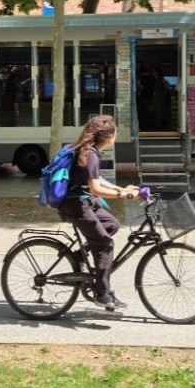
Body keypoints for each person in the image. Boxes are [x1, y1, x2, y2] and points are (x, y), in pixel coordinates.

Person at [57, 115, 140, 311]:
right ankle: (102, 294)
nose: (116, 136)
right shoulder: (91, 154)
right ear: (110, 137)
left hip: (82, 202)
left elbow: (97, 179)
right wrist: (123, 196)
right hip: (76, 205)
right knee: (105, 244)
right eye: (116, 133)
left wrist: (122, 189)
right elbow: (96, 189)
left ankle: (80, 255)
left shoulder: (90, 150)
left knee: (112, 225)